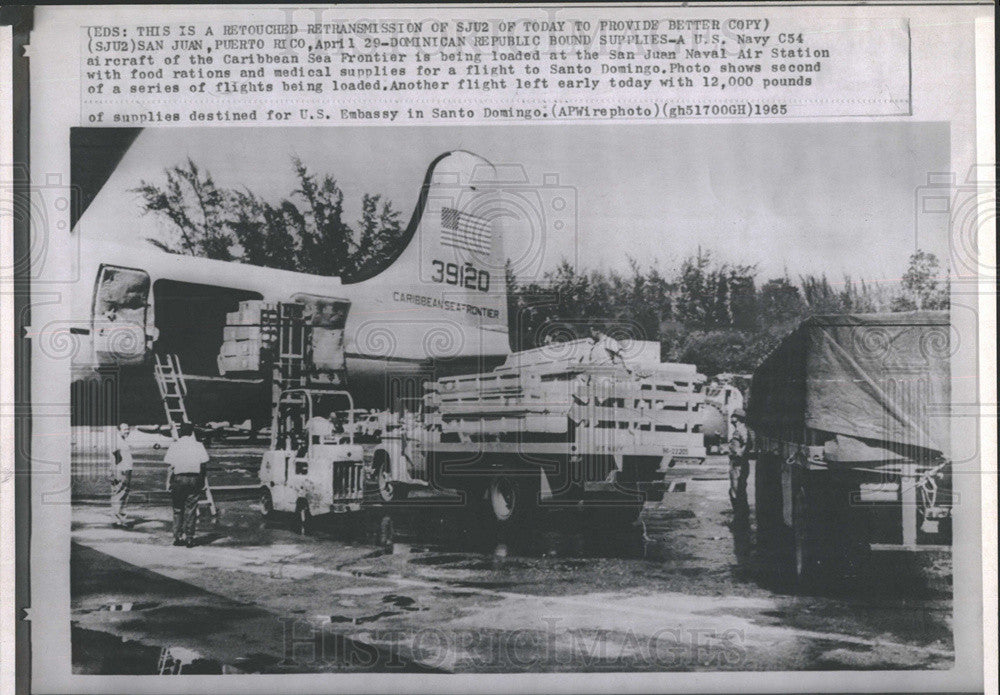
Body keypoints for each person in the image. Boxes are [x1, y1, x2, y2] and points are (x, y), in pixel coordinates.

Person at [164, 423, 209, 547]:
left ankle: (177, 537)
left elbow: (171, 467)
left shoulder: (175, 445)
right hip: (194, 479)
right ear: (191, 433)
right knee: (191, 509)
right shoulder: (199, 445)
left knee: (178, 509)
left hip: (179, 479)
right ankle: (189, 538)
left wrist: (168, 482)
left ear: (180, 432)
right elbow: (203, 465)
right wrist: (204, 482)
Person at [728, 408, 753, 510]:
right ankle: (740, 515)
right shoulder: (740, 430)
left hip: (738, 464)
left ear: (738, 418)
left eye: (733, 416)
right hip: (737, 463)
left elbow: (748, 444)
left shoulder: (741, 430)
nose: (731, 418)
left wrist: (740, 453)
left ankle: (740, 517)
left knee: (737, 491)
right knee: (738, 490)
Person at [110, 423, 133, 528]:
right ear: (119, 430)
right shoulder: (118, 441)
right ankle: (120, 520)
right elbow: (115, 455)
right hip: (122, 471)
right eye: (124, 429)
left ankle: (117, 520)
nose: (127, 431)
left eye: (128, 429)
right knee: (121, 495)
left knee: (118, 495)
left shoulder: (121, 440)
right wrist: (116, 471)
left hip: (122, 470)